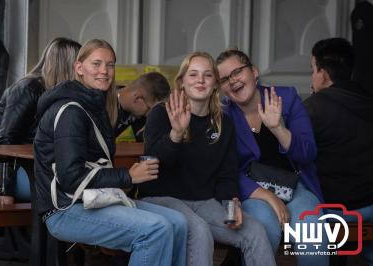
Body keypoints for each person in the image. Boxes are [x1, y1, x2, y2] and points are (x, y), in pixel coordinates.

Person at [34, 39, 187, 266]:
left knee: (178, 223)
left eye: (110, 65)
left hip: (94, 200)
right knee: (156, 229)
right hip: (65, 209)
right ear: (79, 68)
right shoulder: (70, 111)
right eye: (96, 64)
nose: (104, 71)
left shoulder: (97, 106)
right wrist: (128, 176)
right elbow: (71, 178)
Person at [138, 51, 275, 266]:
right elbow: (152, 165)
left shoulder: (224, 123)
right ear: (181, 82)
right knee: (199, 231)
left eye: (207, 75)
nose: (200, 80)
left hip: (204, 203)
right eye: (193, 75)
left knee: (255, 230)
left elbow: (227, 173)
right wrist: (175, 134)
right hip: (161, 199)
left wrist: (232, 205)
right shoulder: (162, 113)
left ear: (216, 84)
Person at [216, 49, 328, 265]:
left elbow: (307, 153)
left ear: (254, 71)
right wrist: (268, 197)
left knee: (312, 229)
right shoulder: (224, 117)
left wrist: (278, 129)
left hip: (295, 187)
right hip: (252, 192)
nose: (233, 81)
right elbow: (227, 170)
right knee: (264, 225)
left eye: (237, 72)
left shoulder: (287, 98)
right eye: (225, 79)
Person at [0, 37, 81, 205]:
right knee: (62, 192)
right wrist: (6, 189)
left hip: (35, 168)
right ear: (66, 65)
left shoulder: (61, 94)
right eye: (79, 63)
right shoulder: (27, 89)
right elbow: (5, 141)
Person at [304, 37, 373, 264]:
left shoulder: (313, 108)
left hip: (340, 214)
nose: (312, 76)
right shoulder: (366, 98)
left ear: (322, 74)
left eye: (313, 70)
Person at [115, 72, 171, 142]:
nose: (151, 115)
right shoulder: (103, 102)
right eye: (150, 110)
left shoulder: (137, 113)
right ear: (138, 98)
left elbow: (146, 143)